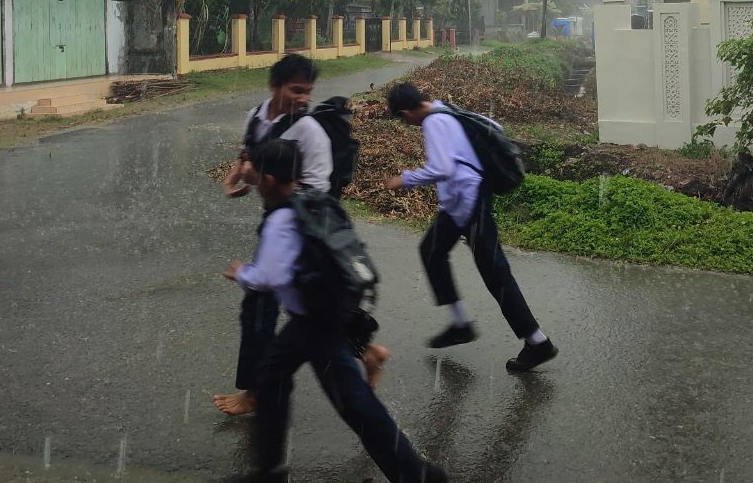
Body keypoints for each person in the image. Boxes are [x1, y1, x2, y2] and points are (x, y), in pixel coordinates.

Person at [223, 139, 447, 483]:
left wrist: (243, 274)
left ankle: (415, 474)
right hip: (320, 314)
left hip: (317, 323)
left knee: (354, 404)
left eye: (256, 171)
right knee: (272, 375)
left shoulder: (282, 219)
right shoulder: (312, 201)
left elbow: (269, 276)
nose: (252, 176)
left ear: (267, 178)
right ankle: (269, 471)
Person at [215, 55, 387, 417]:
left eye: (307, 92)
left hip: (305, 227)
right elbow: (246, 157)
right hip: (276, 219)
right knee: (317, 304)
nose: (302, 98)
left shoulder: (310, 132)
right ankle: (368, 352)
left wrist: (265, 183)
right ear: (274, 86)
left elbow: (319, 190)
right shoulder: (255, 117)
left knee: (268, 302)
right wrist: (235, 180)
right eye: (295, 90)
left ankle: (256, 391)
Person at [383, 82, 558, 373]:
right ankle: (461, 323)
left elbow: (443, 168)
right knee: (431, 251)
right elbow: (493, 125)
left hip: (469, 203)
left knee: (495, 272)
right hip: (458, 204)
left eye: (401, 119)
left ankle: (537, 342)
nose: (406, 124)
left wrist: (406, 179)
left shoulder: (434, 122)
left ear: (405, 112)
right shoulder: (446, 109)